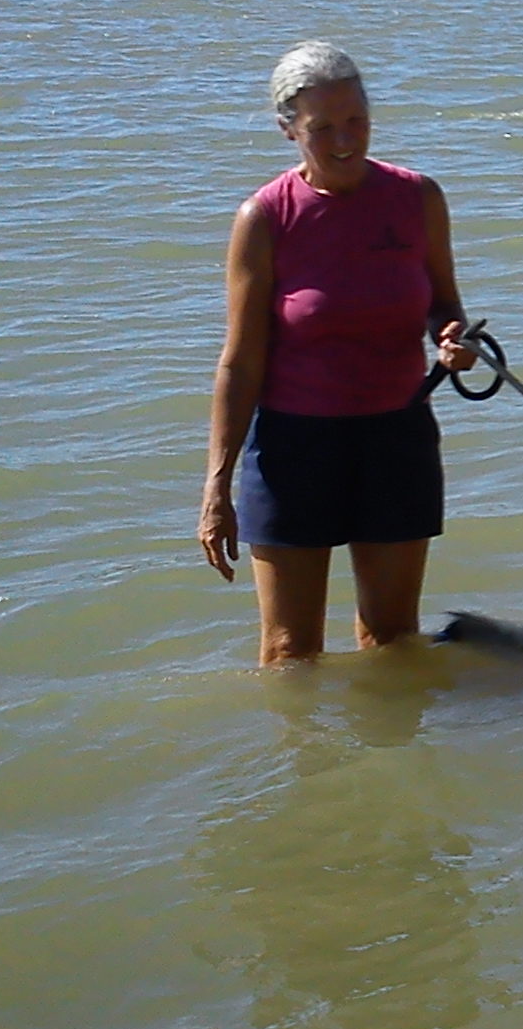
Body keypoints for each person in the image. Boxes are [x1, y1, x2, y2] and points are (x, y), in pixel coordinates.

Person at [198, 41, 477, 663]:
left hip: (396, 438)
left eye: (356, 120)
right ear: (288, 130)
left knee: (392, 642)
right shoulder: (265, 218)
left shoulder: (418, 198)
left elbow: (444, 305)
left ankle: (389, 733)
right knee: (289, 652)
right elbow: (240, 361)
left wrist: (453, 340)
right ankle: (298, 735)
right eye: (322, 127)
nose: (345, 140)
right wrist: (217, 487)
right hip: (293, 448)